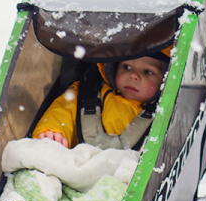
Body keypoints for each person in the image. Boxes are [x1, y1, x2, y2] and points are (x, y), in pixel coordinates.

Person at [32, 52, 170, 151]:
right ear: (114, 69)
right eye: (126, 67)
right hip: (79, 166)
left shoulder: (166, 113)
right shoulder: (87, 92)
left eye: (148, 72)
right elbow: (61, 112)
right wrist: (53, 132)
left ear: (164, 81)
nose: (133, 75)